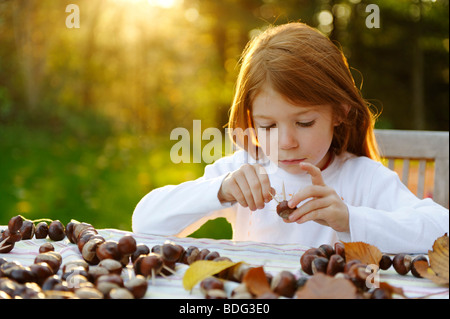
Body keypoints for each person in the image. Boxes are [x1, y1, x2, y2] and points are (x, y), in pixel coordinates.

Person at [132, 22, 448, 254]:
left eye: (304, 122)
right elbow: (145, 222)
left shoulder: (362, 178)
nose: (285, 142)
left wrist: (350, 218)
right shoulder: (244, 170)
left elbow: (441, 229)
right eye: (268, 126)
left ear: (339, 113)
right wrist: (220, 190)